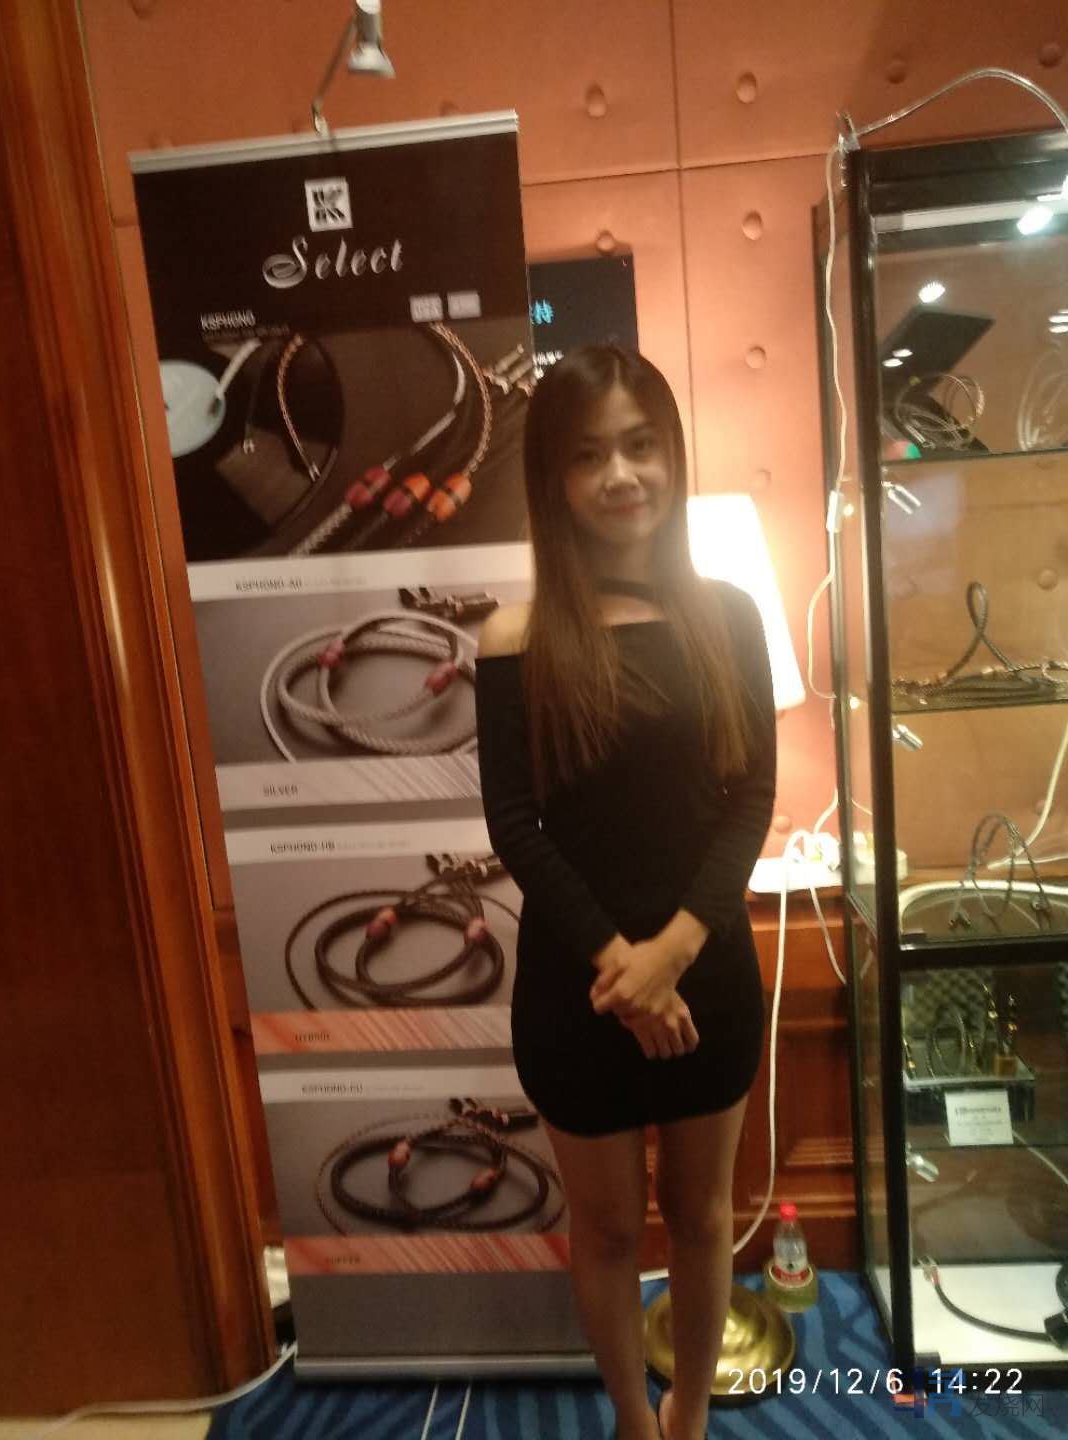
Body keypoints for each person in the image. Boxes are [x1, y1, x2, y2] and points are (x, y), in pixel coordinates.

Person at [473, 343, 777, 1440]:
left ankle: (687, 1416)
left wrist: (672, 953)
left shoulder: (728, 616)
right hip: (578, 988)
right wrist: (622, 965)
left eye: (640, 446)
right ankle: (631, 1423)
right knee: (604, 1232)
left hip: (708, 976)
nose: (620, 475)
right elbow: (515, 825)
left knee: (701, 1217)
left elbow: (751, 799)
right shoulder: (514, 638)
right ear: (553, 479)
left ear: (671, 455)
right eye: (588, 454)